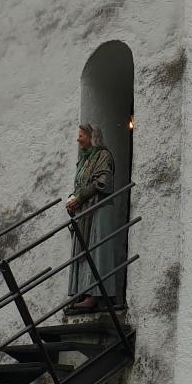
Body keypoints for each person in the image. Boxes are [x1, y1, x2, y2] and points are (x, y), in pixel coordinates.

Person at [66, 123, 115, 312]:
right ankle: (83, 292)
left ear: (92, 137)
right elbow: (81, 184)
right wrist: (73, 198)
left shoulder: (103, 155)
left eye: (81, 135)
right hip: (85, 210)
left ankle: (95, 294)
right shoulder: (84, 160)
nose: (78, 139)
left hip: (99, 208)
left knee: (96, 248)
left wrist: (79, 197)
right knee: (84, 248)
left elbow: (102, 181)